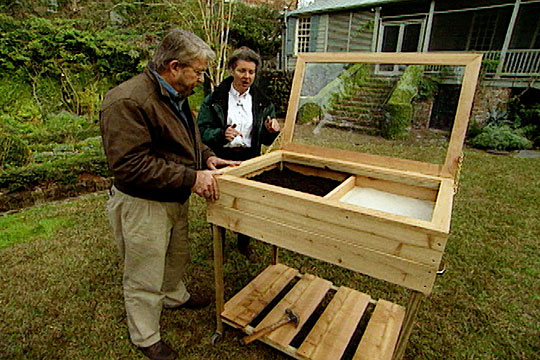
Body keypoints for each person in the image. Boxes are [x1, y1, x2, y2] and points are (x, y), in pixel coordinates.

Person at [100, 29, 239, 360]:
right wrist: (192, 177)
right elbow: (130, 166)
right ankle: (145, 334)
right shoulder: (126, 101)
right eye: (199, 71)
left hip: (173, 194)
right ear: (175, 66)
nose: (201, 78)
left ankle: (174, 294)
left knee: (176, 255)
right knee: (144, 271)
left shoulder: (173, 93)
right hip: (142, 203)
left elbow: (187, 137)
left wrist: (206, 156)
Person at [197, 47, 280, 261]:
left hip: (249, 159)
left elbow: (265, 138)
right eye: (242, 71)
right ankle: (219, 245)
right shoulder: (214, 99)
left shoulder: (263, 101)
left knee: (247, 204)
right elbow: (202, 130)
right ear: (232, 70)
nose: (247, 76)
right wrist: (221, 134)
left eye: (251, 72)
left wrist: (271, 131)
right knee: (219, 201)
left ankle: (244, 243)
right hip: (221, 159)